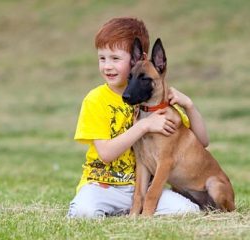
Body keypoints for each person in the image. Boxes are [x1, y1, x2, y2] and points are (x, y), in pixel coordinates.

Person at [67, 17, 209, 218]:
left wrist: (189, 105)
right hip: (104, 186)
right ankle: (109, 208)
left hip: (143, 188)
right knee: (84, 212)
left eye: (115, 58)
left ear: (137, 58)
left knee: (187, 211)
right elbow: (106, 154)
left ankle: (129, 211)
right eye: (102, 58)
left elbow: (201, 141)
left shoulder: (156, 102)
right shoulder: (95, 100)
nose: (107, 66)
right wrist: (144, 126)